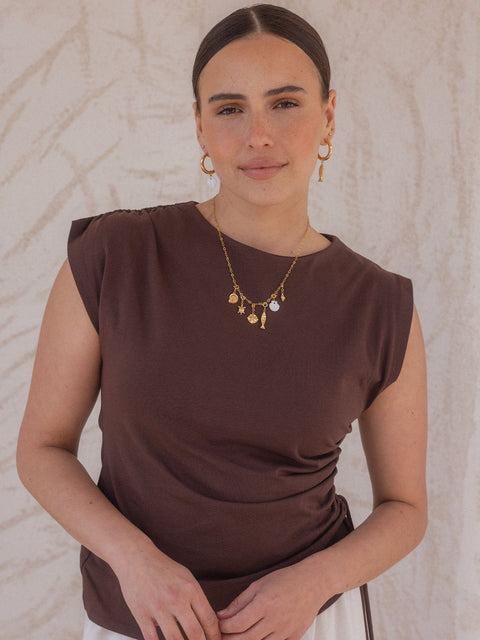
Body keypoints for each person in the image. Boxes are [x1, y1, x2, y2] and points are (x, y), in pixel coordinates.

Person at [16, 4, 428, 640]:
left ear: (328, 117)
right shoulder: (115, 256)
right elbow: (41, 449)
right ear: (200, 126)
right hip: (141, 619)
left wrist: (315, 583)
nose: (258, 135)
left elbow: (405, 508)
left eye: (285, 103)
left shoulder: (379, 304)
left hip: (308, 623)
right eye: (230, 108)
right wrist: (135, 561)